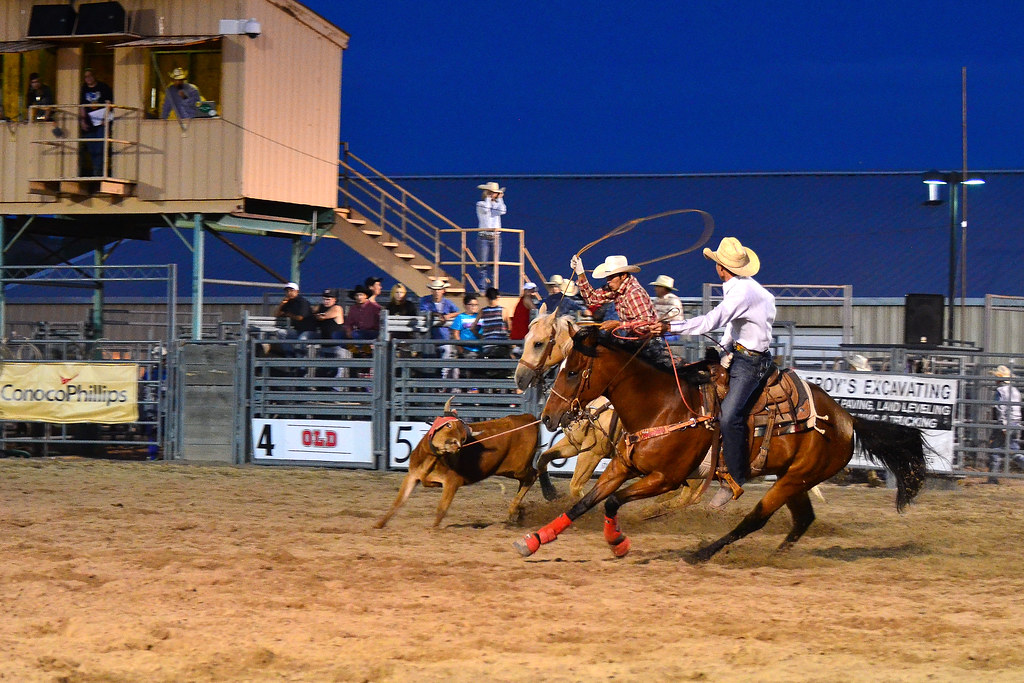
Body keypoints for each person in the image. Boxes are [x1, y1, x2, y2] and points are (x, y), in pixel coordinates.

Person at [655, 237, 776, 510]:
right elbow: (735, 325)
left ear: (721, 268)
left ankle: (734, 477)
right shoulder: (753, 290)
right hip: (744, 355)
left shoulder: (740, 292)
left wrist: (671, 328)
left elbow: (713, 320)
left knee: (730, 414)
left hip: (750, 363)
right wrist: (725, 351)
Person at [569, 254, 657, 327]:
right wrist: (580, 273)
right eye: (608, 277)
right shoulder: (616, 289)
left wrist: (618, 324)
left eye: (611, 277)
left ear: (623, 276)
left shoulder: (633, 293)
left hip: (646, 343)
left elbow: (647, 323)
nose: (608, 280)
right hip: (632, 339)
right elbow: (592, 298)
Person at [419, 279, 459, 377]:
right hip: (429, 337)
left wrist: (448, 316)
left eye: (439, 289)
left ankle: (442, 379)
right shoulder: (425, 300)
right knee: (431, 361)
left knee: (445, 354)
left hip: (442, 337)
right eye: (435, 289)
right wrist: (439, 315)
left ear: (443, 291)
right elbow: (423, 311)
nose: (437, 292)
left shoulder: (447, 303)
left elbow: (457, 312)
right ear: (432, 291)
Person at [988, 365, 1023, 477]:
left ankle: (993, 477)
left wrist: (1003, 426)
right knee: (1013, 450)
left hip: (1006, 423)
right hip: (1016, 423)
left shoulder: (1000, 391)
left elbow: (1000, 408)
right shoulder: (1015, 391)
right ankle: (992, 477)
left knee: (996, 449)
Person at [80, 68, 114, 176]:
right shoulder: (83, 89)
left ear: (94, 76)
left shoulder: (103, 87)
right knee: (91, 147)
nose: (88, 78)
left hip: (102, 122)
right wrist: (82, 121)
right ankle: (96, 169)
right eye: (86, 77)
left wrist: (105, 118)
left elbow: (109, 103)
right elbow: (82, 106)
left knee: (100, 146)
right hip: (89, 122)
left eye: (90, 76)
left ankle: (98, 171)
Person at [273, 281, 317, 357]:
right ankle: (290, 355)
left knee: (301, 340)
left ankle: (301, 365)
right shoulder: (289, 302)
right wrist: (282, 304)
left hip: (309, 331)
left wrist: (288, 314)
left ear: (297, 291)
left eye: (291, 290)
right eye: (287, 291)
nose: (289, 293)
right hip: (298, 330)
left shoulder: (302, 302)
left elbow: (300, 317)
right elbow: (277, 315)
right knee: (281, 333)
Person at [475, 181, 506, 287]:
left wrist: (500, 199)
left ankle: (494, 287)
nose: (494, 195)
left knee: (495, 265)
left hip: (496, 237)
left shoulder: (497, 205)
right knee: (483, 264)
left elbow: (503, 211)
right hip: (483, 237)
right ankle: (482, 287)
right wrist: (488, 198)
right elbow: (486, 210)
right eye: (491, 192)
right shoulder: (480, 204)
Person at [474, 287, 511, 356]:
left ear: (487, 298)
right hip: (501, 345)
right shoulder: (503, 310)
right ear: (497, 297)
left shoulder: (482, 311)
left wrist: (480, 336)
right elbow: (509, 327)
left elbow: (472, 327)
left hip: (487, 345)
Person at [649, 275, 685, 341]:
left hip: (671, 332)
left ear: (664, 288)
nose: (655, 289)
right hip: (660, 329)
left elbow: (671, 317)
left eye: (658, 287)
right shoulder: (657, 300)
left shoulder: (673, 300)